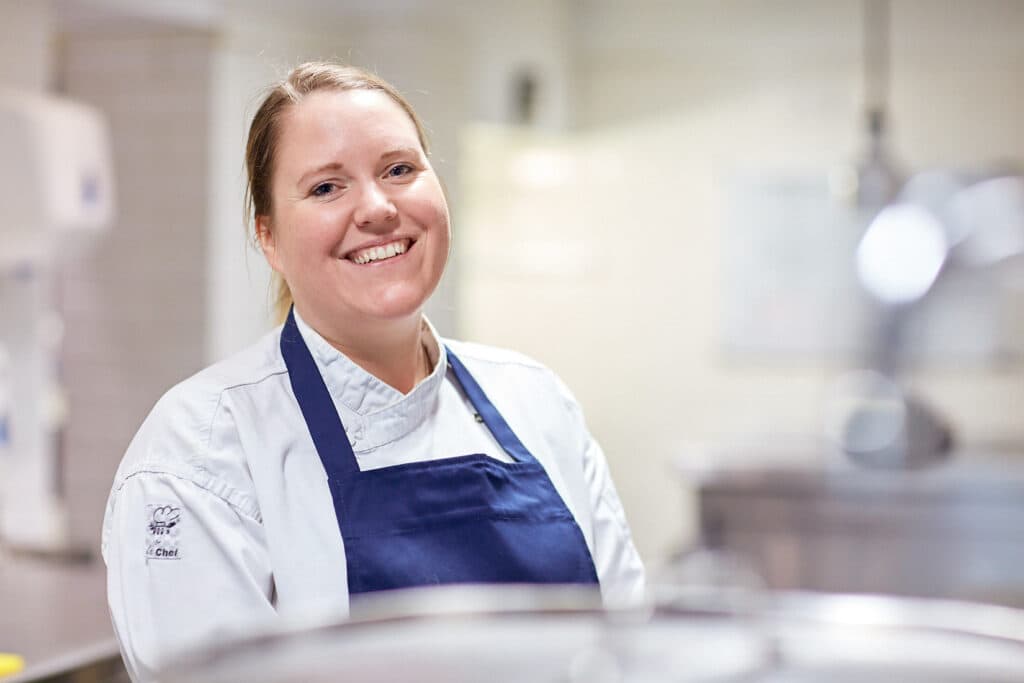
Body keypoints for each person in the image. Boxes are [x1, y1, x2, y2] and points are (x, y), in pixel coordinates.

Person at [102, 61, 645, 682]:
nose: (379, 208)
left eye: (399, 169)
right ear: (269, 237)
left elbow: (627, 654)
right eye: (327, 188)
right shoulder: (200, 453)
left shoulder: (535, 399)